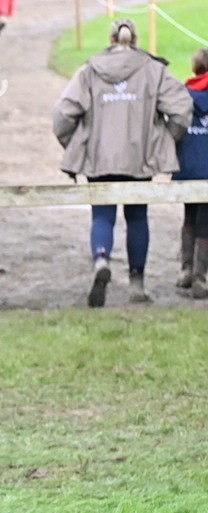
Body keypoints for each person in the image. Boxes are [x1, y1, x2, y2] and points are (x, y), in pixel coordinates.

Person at [53, 18, 193, 307]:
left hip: (99, 159)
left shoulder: (90, 70)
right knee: (137, 217)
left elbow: (63, 116)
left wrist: (76, 146)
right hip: (140, 159)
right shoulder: (154, 70)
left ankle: (101, 260)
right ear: (136, 39)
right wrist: (164, 140)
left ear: (111, 38)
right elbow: (181, 109)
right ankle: (137, 283)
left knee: (101, 216)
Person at [175, 48, 208, 298]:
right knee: (205, 222)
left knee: (190, 215)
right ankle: (200, 276)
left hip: (188, 165)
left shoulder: (183, 94)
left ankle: (186, 270)